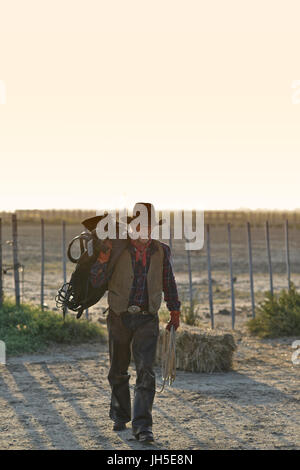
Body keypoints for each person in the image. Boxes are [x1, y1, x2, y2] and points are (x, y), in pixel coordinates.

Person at [89, 202, 181, 443]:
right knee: (118, 370)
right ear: (131, 227)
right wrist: (102, 258)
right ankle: (120, 415)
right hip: (119, 316)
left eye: (148, 226)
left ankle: (142, 427)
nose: (144, 230)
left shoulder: (162, 251)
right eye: (139, 225)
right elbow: (96, 280)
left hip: (147, 318)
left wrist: (175, 311)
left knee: (145, 371)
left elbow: (168, 281)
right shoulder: (117, 249)